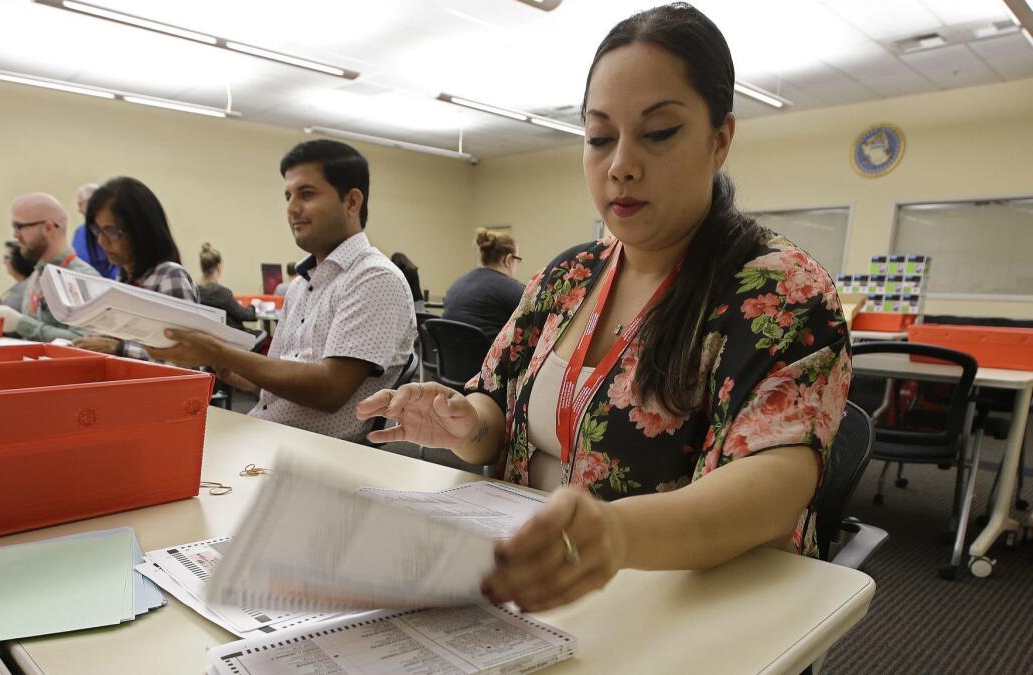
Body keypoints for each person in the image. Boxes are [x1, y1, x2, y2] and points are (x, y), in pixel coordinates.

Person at [356, 2, 850, 613]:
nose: (620, 165)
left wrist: (617, 534)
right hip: (528, 581)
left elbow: (776, 485)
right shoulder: (569, 276)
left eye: (659, 133)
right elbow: (495, 410)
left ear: (720, 139)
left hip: (685, 600)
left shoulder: (779, 291)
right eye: (599, 138)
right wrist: (468, 422)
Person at [145, 140, 416, 443]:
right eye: (288, 196)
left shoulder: (374, 278)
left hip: (308, 455)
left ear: (352, 202)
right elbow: (288, 375)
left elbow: (329, 391)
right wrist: (240, 375)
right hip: (267, 435)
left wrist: (221, 352)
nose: (291, 208)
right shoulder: (302, 285)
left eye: (307, 194)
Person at [72, 176, 199, 361]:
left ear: (141, 230)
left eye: (112, 232)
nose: (101, 241)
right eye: (97, 231)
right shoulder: (123, 278)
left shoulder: (169, 276)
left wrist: (119, 348)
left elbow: (182, 359)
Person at [0, 193, 100, 340]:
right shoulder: (37, 273)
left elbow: (84, 340)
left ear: (48, 228)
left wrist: (20, 324)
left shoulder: (81, 278)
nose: (15, 235)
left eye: (19, 226)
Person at [441, 229, 525, 340]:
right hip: (485, 356)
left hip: (449, 355)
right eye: (517, 259)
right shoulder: (512, 289)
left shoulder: (457, 283)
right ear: (508, 260)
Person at [198, 242, 258, 331]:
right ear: (218, 267)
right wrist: (254, 305)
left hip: (209, 337)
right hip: (231, 339)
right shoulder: (221, 292)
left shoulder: (196, 290)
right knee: (262, 333)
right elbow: (245, 315)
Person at [70, 182, 120, 279]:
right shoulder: (80, 232)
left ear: (92, 201)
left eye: (80, 204)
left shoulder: (115, 231)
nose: (79, 210)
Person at [0, 240, 35, 312]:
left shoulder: (31, 286)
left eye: (6, 257)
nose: (4, 262)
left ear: (18, 259)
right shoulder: (19, 284)